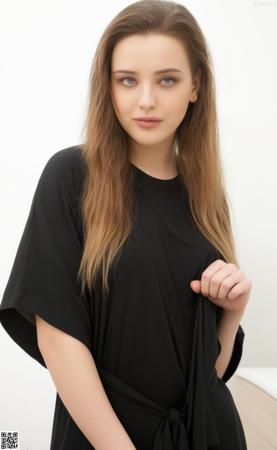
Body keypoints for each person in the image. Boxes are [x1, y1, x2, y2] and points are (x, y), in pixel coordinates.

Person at [0, 1, 252, 449]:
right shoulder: (71, 176)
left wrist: (232, 313)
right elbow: (57, 337)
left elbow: (207, 373)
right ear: (109, 87)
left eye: (168, 80)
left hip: (206, 435)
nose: (147, 100)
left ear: (196, 86)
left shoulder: (207, 199)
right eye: (128, 80)